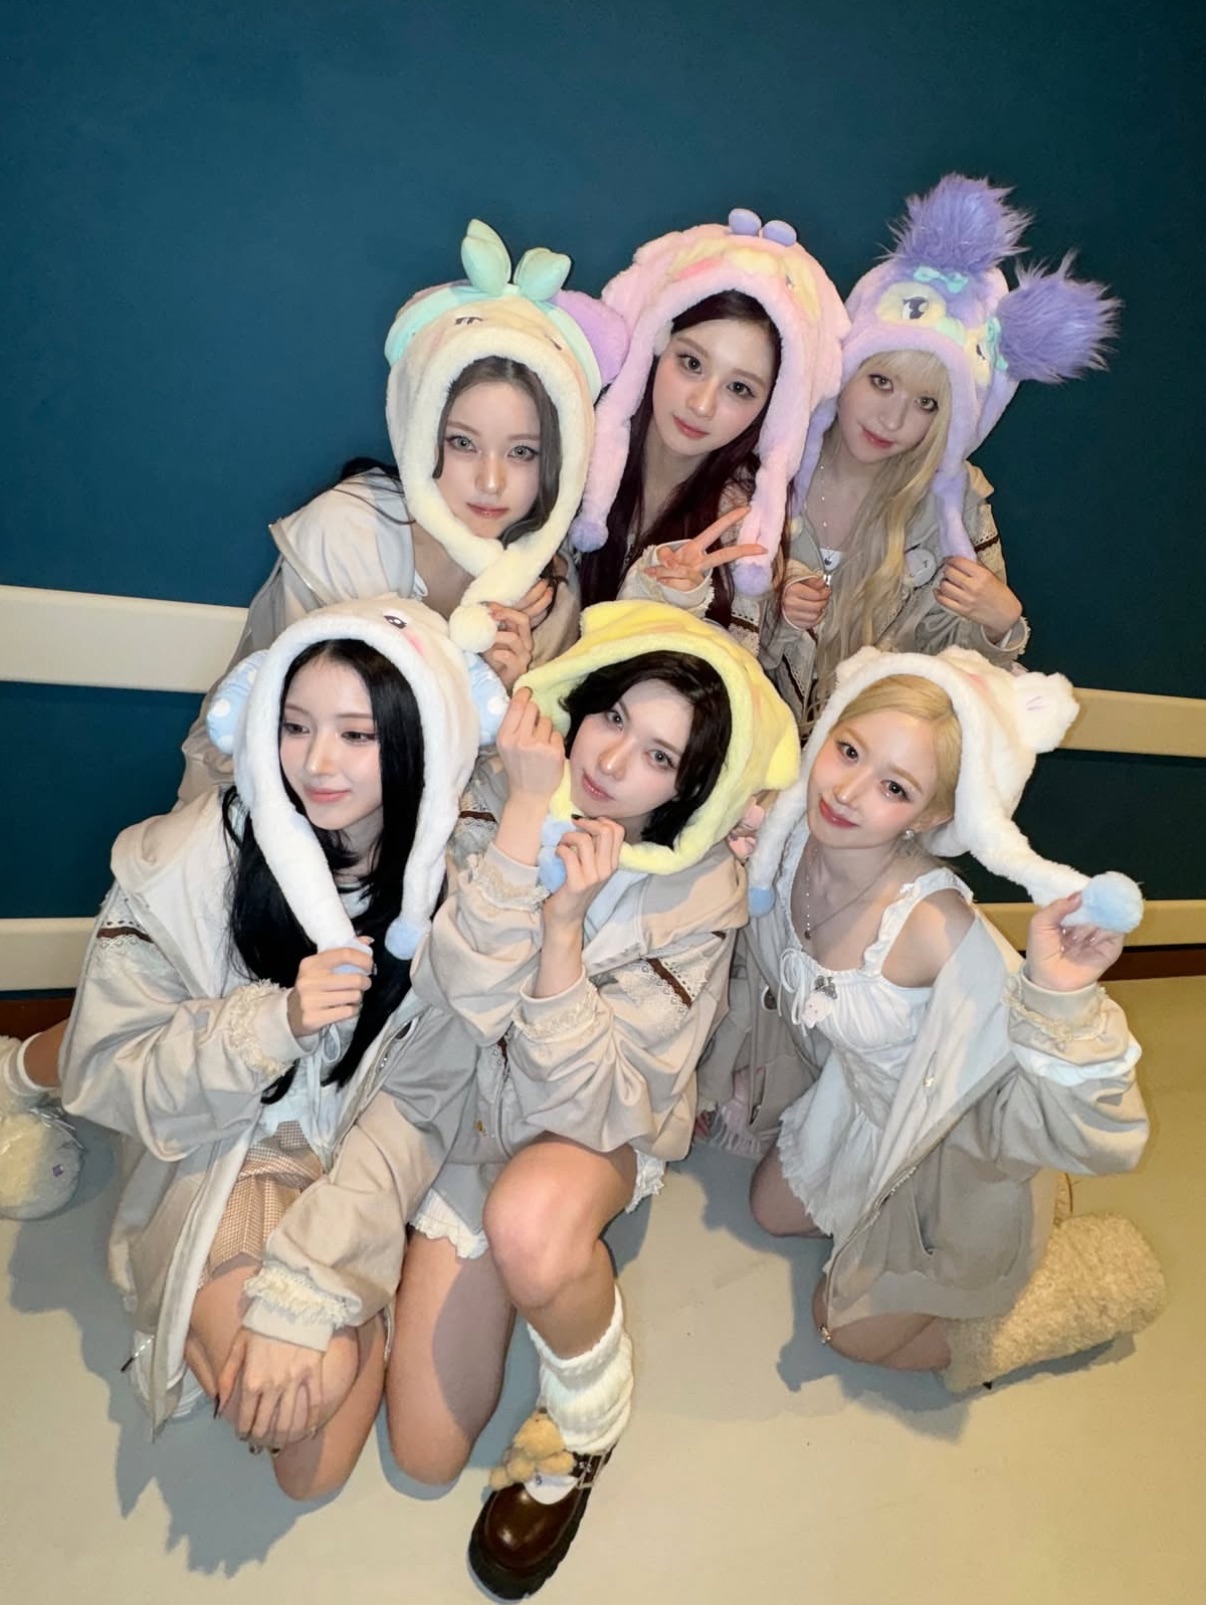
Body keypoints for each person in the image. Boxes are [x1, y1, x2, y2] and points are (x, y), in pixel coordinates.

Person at [387, 601, 799, 1597]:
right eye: (613, 717)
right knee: (426, 1454)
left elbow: (600, 1100)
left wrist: (563, 935)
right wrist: (523, 821)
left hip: (584, 1132)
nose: (614, 760)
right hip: (462, 1118)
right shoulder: (497, 788)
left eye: (660, 756)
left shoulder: (702, 893)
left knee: (530, 1224)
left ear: (692, 786)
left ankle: (588, 1413)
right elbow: (454, 992)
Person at [57, 598, 500, 1498]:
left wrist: (312, 1287)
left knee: (317, 1455)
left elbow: (418, 1109)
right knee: (301, 1447)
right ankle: (268, 1314)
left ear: (419, 740)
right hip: (226, 1157)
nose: (319, 762)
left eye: (357, 734)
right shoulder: (187, 861)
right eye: (295, 726)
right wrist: (270, 1024)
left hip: (368, 1168)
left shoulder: (458, 885)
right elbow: (102, 1072)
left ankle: (333, 1303)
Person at [702, 645, 1163, 1392]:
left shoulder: (936, 928)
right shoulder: (791, 841)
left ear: (934, 813)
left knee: (843, 1333)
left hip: (947, 1156)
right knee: (768, 1212)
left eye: (894, 786)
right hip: (857, 1108)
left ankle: (1074, 1283)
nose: (847, 792)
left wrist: (1060, 996)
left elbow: (1106, 1135)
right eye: (848, 750)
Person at [178, 218, 627, 799]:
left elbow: (514, 800)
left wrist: (504, 699)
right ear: (417, 431)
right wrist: (454, 685)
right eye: (462, 443)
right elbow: (253, 731)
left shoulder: (550, 582)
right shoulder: (346, 535)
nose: (491, 481)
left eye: (522, 452)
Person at [770, 174, 1119, 730]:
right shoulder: (768, 473)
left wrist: (1001, 623)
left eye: (927, 403)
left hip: (871, 765)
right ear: (845, 370)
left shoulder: (957, 512)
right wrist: (776, 615)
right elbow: (708, 629)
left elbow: (960, 680)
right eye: (881, 381)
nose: (892, 419)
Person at [572, 208, 848, 654]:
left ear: (770, 409)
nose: (701, 405)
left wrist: (673, 604)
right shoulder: (572, 463)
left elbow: (729, 684)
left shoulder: (745, 528)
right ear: (656, 346)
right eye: (691, 363)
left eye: (739, 388)